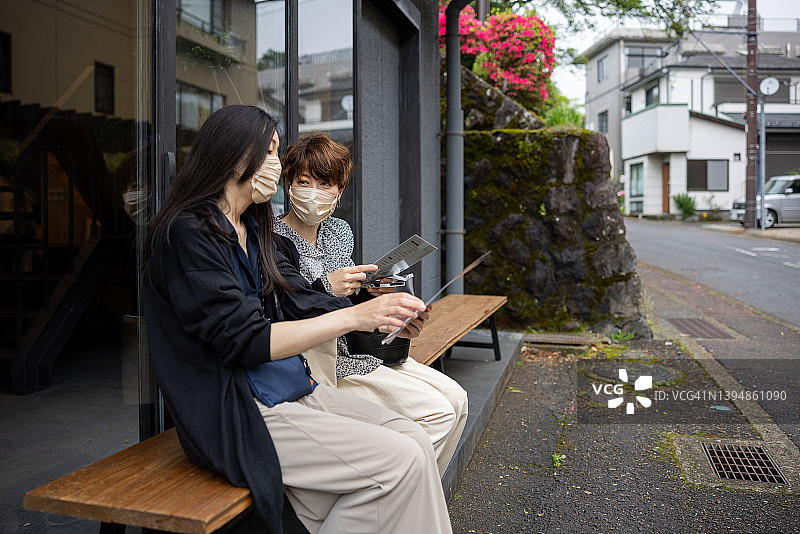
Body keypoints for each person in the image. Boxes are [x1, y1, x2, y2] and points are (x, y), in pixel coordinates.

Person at [142, 105, 452, 533]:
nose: (276, 165)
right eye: (269, 152)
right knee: (399, 461)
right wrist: (355, 316)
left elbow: (297, 301)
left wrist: (377, 316)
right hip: (241, 408)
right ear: (233, 154)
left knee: (415, 439)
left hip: (291, 385)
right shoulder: (189, 232)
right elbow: (244, 339)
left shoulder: (255, 227)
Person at [274, 133, 468, 475]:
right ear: (288, 183)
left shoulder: (338, 231)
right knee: (436, 413)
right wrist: (326, 287)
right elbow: (286, 307)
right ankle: (400, 498)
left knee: (458, 400)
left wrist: (372, 293)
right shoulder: (271, 239)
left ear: (339, 192)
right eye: (304, 182)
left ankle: (414, 499)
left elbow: (352, 296)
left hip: (362, 349)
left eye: (325, 184)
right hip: (321, 362)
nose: (314, 193)